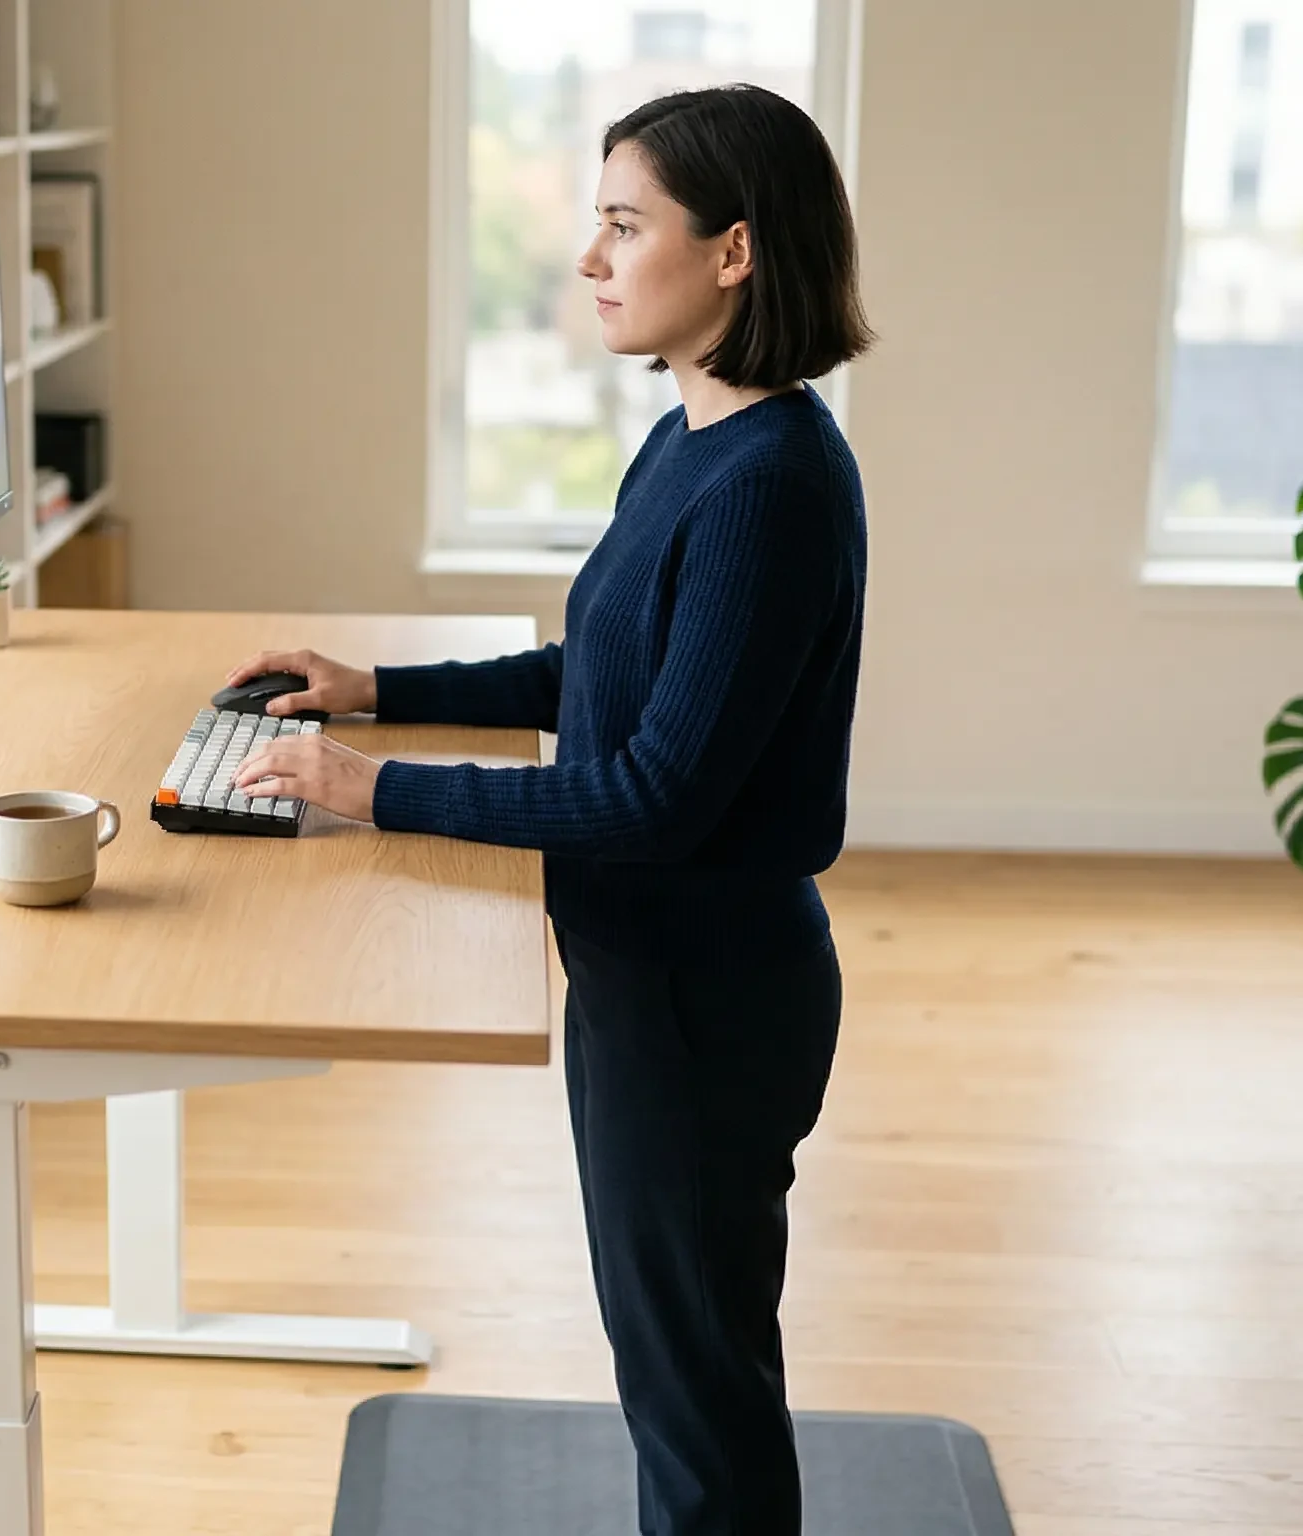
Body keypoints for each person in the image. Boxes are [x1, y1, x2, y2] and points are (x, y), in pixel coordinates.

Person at [229, 84, 871, 1535]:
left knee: (697, 1390)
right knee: (683, 1365)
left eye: (625, 223)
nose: (590, 256)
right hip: (656, 979)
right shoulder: (700, 438)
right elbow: (604, 669)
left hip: (705, 1003)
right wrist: (371, 689)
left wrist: (371, 792)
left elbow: (653, 793)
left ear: (734, 254)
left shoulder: (771, 486)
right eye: (597, 219)